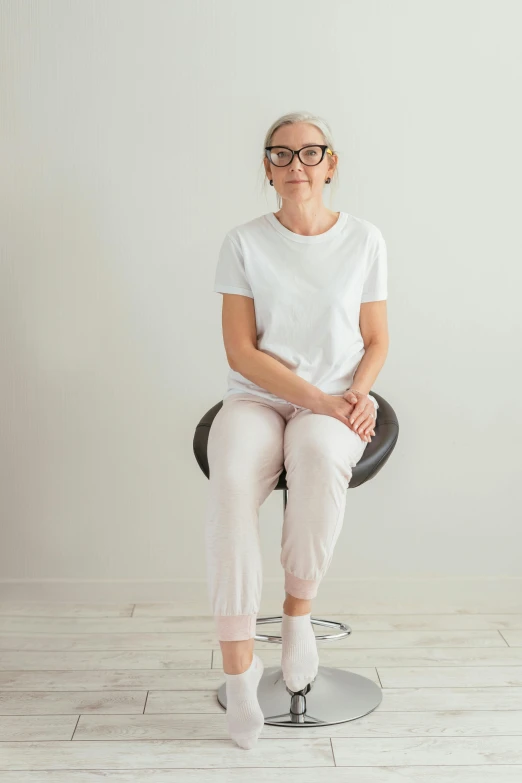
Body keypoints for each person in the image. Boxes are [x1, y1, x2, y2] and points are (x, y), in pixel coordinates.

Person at [205, 111, 389, 749]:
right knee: (230, 485)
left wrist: (355, 393)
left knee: (315, 456)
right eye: (280, 155)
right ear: (267, 169)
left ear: (332, 164)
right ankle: (239, 672)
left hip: (334, 404)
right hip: (259, 398)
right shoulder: (243, 241)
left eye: (310, 154)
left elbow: (376, 339)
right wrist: (319, 397)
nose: (296, 166)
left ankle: (298, 616)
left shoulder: (365, 239)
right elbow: (241, 352)